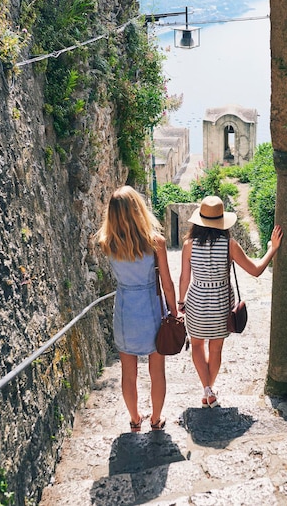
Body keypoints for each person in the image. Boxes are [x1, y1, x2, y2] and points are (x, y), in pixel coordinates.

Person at [179, 195, 283, 408]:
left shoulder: (189, 245)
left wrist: (181, 303)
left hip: (197, 301)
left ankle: (207, 389)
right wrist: (272, 248)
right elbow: (255, 270)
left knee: (197, 345)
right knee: (216, 349)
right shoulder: (230, 245)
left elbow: (184, 278)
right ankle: (209, 390)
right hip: (221, 303)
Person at [96, 185, 177, 432]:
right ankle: (156, 419)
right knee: (157, 371)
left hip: (125, 310)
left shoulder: (107, 243)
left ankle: (134, 419)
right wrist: (175, 312)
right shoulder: (156, 243)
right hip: (152, 309)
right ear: (138, 209)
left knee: (128, 373)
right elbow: (167, 283)